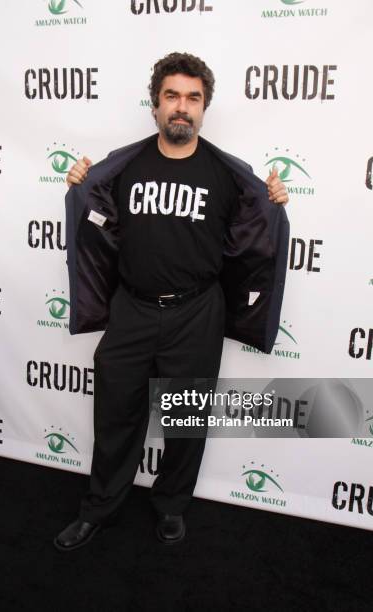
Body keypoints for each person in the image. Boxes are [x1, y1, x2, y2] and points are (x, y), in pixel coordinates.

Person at [54, 52, 290, 552]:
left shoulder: (228, 175)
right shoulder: (125, 166)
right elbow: (95, 213)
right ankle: (100, 509)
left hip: (196, 313)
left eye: (192, 98)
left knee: (185, 422)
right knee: (116, 417)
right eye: (172, 96)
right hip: (132, 309)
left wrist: (273, 201)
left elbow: (254, 230)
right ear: (155, 104)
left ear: (204, 107)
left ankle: (171, 506)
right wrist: (80, 183)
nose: (181, 107)